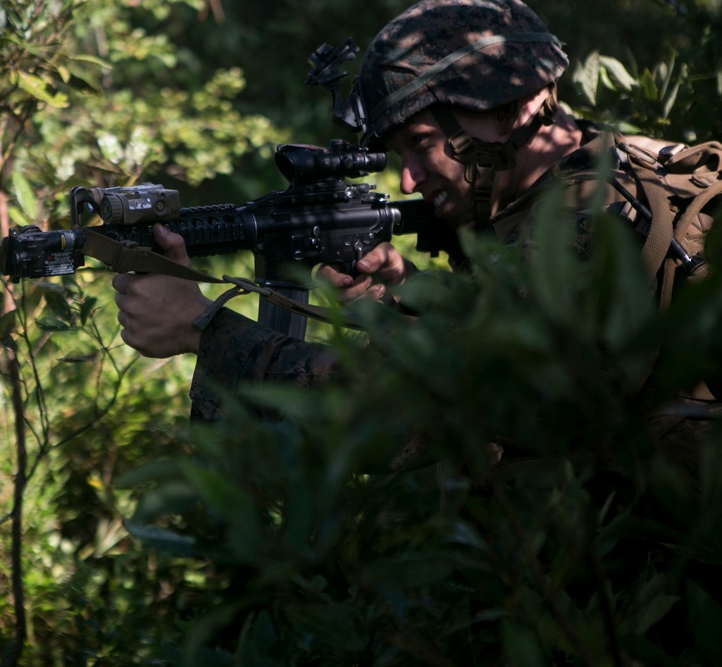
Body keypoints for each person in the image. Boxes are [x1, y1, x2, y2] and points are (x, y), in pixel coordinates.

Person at [111, 0, 716, 440]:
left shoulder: (586, 223)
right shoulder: (615, 165)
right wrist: (404, 289)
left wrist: (203, 328)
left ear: (509, 107)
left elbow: (426, 406)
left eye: (422, 143)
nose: (406, 180)